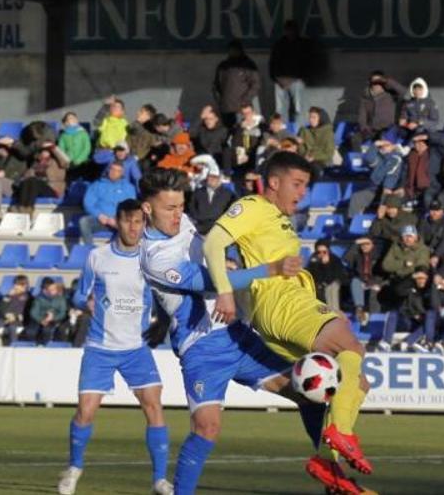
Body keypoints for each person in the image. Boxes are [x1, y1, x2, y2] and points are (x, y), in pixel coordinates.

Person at [133, 170, 358, 495]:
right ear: (147, 209)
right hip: (203, 349)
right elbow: (212, 281)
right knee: (207, 427)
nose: (178, 214)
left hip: (237, 335)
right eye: (170, 208)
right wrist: (270, 269)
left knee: (307, 395)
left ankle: (331, 476)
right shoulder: (155, 258)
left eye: (181, 206)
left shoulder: (181, 222)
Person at [203, 152, 374, 479]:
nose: (302, 193)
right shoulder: (253, 206)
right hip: (280, 300)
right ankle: (340, 432)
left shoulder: (278, 218)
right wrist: (225, 291)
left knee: (353, 384)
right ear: (274, 182)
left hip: (282, 307)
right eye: (297, 184)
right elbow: (213, 244)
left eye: (306, 186)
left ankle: (331, 467)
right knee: (350, 346)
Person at [61, 200, 172, 495]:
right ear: (118, 222)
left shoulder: (150, 260)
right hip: (100, 348)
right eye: (128, 221)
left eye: (139, 222)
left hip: (136, 348)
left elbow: (164, 297)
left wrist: (162, 321)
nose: (133, 228)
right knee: (85, 412)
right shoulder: (97, 257)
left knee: (153, 405)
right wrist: (85, 303)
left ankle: (159, 480)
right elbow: (77, 295)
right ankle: (74, 468)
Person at [80, 162, 136, 245]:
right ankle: (89, 250)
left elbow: (131, 207)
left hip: (120, 221)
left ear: (122, 173)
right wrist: (99, 215)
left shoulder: (128, 188)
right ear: (108, 170)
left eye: (118, 171)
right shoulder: (97, 185)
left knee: (130, 225)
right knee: (84, 222)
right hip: (101, 220)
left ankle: (117, 248)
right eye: (112, 169)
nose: (114, 172)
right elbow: (88, 203)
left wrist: (117, 219)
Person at [269, 20, 311, 124]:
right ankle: (282, 133)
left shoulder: (303, 44)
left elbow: (307, 62)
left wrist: (301, 77)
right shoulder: (279, 44)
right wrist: (275, 78)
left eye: (292, 30)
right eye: (288, 30)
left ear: (297, 31)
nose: (290, 32)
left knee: (299, 108)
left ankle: (300, 132)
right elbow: (273, 62)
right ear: (285, 31)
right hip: (281, 80)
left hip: (297, 79)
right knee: (280, 110)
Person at [12, 141, 71, 214]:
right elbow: (27, 176)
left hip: (52, 189)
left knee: (34, 181)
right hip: (36, 188)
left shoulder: (57, 162)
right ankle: (22, 207)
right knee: (27, 181)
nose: (44, 152)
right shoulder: (35, 163)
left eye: (47, 150)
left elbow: (66, 161)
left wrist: (53, 147)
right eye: (42, 150)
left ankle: (28, 208)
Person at [213, 40, 261, 129]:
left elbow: (255, 84)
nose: (233, 52)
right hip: (225, 107)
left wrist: (245, 101)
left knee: (241, 133)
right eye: (231, 50)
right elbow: (216, 85)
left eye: (235, 50)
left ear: (240, 50)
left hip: (242, 109)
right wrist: (219, 100)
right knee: (226, 133)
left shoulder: (248, 65)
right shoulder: (223, 66)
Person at [353, 71, 405, 152]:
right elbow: (361, 118)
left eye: (379, 82)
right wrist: (365, 129)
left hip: (387, 129)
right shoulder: (365, 99)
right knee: (355, 138)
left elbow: (405, 92)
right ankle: (360, 159)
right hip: (371, 130)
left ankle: (382, 159)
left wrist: (387, 81)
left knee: (384, 142)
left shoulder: (391, 95)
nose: (377, 84)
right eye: (374, 82)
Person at [381, 225, 432, 305]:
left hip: (411, 278)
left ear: (415, 237)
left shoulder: (423, 249)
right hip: (395, 278)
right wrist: (403, 263)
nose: (408, 239)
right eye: (405, 236)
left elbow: (422, 265)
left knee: (401, 291)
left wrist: (399, 267)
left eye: (410, 236)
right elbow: (386, 265)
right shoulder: (395, 247)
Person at [344, 237, 384, 318]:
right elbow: (346, 258)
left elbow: (381, 273)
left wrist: (371, 284)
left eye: (367, 244)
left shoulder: (379, 256)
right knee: (355, 282)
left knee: (373, 291)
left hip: (375, 281)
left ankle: (374, 317)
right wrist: (355, 243)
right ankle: (359, 309)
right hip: (362, 280)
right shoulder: (358, 256)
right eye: (362, 245)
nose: (364, 246)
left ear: (372, 245)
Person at [187, 170, 236, 235]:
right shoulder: (198, 192)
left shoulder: (228, 193)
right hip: (199, 228)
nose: (212, 179)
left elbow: (231, 209)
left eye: (215, 177)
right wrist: (198, 217)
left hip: (219, 229)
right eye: (210, 176)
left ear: (219, 179)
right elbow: (191, 207)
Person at [307, 240, 347, 311]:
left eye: (324, 252)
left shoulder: (335, 260)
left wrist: (326, 265)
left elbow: (334, 277)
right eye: (319, 252)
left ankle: (334, 311)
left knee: (331, 286)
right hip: (319, 285)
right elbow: (314, 275)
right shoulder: (314, 260)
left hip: (333, 283)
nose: (322, 254)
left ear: (328, 251)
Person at [189, 105, 232, 171]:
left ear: (216, 119)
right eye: (206, 119)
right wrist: (201, 116)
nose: (208, 121)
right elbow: (191, 132)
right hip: (202, 161)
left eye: (211, 119)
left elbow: (226, 148)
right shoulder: (201, 130)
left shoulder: (223, 131)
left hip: (217, 161)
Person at [298, 106, 338, 172]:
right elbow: (300, 148)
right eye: (310, 117)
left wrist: (313, 157)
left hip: (322, 162)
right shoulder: (304, 131)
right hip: (305, 159)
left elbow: (329, 153)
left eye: (314, 117)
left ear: (321, 118)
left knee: (313, 168)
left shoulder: (327, 132)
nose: (311, 120)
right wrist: (305, 155)